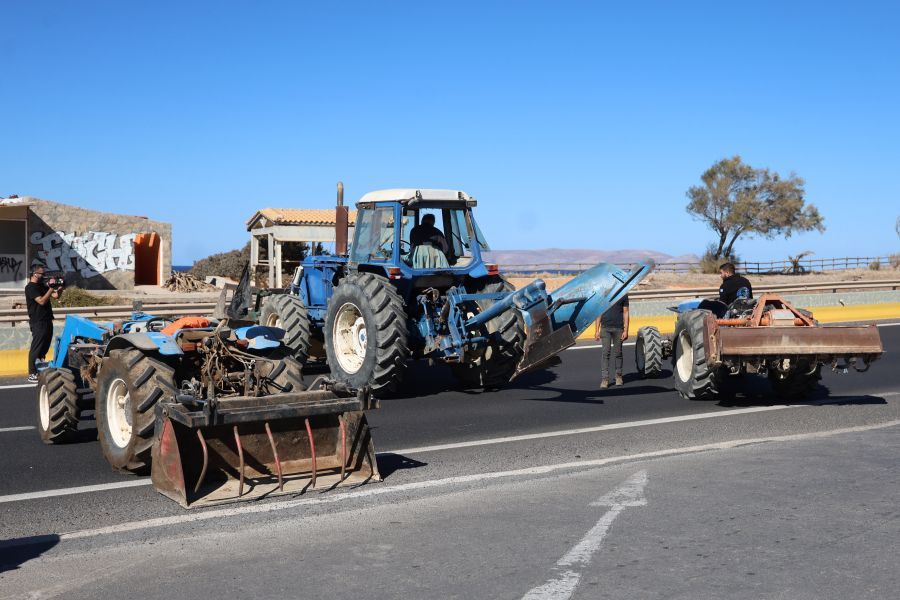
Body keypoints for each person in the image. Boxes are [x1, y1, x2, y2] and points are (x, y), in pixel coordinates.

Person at [25, 264, 59, 383]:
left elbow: (55, 296)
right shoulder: (30, 287)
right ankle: (32, 373)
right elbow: (41, 301)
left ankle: (39, 369)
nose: (44, 275)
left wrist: (59, 288)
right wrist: (50, 288)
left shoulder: (41, 285)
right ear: (34, 274)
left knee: (44, 347)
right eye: (41, 273)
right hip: (38, 321)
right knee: (37, 347)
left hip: (47, 319)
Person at [594, 295, 629, 388]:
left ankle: (618, 376)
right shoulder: (604, 294)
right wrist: (596, 330)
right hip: (605, 328)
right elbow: (599, 313)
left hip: (619, 328)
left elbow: (626, 312)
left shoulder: (623, 294)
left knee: (618, 353)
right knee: (605, 353)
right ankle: (605, 379)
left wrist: (626, 330)